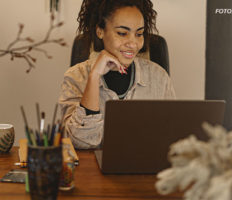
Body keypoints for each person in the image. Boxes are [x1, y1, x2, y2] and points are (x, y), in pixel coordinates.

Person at [59, 0, 176, 149]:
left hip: (144, 170)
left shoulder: (159, 77)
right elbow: (80, 143)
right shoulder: (76, 76)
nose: (133, 43)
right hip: (91, 170)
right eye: (122, 33)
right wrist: (94, 77)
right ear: (100, 31)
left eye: (139, 34)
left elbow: (172, 138)